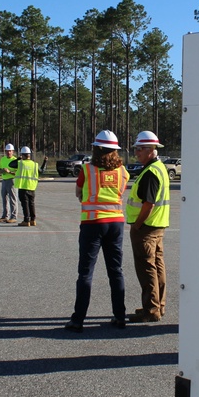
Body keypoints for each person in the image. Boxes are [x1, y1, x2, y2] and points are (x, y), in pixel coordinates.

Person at [65, 130, 130, 333]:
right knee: (116, 271)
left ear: (96, 149)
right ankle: (120, 316)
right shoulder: (123, 171)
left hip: (93, 223)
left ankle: (78, 320)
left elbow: (78, 192)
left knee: (85, 273)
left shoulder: (87, 170)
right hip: (116, 223)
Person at [126, 130, 170, 323]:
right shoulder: (159, 167)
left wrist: (137, 225)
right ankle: (158, 306)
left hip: (146, 227)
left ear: (151, 150)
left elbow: (148, 204)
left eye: (140, 149)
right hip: (158, 226)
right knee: (157, 266)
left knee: (147, 269)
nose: (137, 153)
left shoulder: (151, 172)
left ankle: (151, 309)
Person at [13, 146, 40, 227]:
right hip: (32, 187)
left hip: (23, 186)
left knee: (25, 204)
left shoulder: (20, 163)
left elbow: (11, 164)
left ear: (23, 155)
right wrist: (45, 162)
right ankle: (33, 220)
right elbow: (42, 171)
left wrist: (18, 158)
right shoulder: (35, 164)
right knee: (31, 204)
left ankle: (26, 220)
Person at [0, 143, 18, 223]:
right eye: (7, 151)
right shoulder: (3, 159)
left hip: (12, 180)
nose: (8, 152)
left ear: (13, 151)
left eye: (10, 151)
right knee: (4, 198)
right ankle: (5, 216)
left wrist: (9, 172)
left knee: (13, 199)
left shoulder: (15, 160)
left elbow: (17, 173)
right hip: (4, 180)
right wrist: (3, 171)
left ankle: (13, 216)